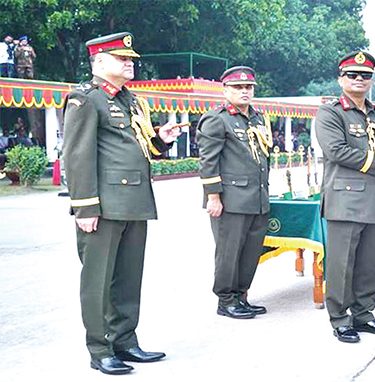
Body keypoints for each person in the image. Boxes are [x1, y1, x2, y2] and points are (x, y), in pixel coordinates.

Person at [62, 32, 181, 375]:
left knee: (128, 278)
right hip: (103, 206)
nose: (130, 63)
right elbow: (78, 156)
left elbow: (141, 149)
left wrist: (161, 140)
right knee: (98, 281)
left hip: (133, 202)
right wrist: (85, 208)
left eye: (131, 59)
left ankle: (126, 342)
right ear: (100, 62)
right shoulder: (86, 99)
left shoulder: (131, 101)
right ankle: (100, 349)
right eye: (121, 58)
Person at [316, 51, 375, 343]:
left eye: (365, 76)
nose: (359, 80)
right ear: (341, 79)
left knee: (368, 264)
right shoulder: (331, 112)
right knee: (341, 265)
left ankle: (364, 315)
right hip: (346, 200)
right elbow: (337, 151)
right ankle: (340, 318)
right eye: (352, 75)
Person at [197, 66, 272, 320]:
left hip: (257, 197)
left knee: (251, 251)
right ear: (225, 90)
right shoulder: (217, 119)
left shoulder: (258, 118)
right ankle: (226, 299)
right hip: (230, 199)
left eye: (248, 87)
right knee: (229, 252)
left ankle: (241, 295)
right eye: (238, 87)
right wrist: (213, 196)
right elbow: (208, 161)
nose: (244, 91)